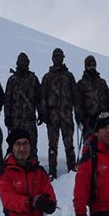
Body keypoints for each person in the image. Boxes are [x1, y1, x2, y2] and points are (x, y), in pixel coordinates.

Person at [39, 47, 77, 178]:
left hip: (67, 116)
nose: (58, 59)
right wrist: (43, 114)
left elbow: (75, 95)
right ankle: (52, 172)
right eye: (55, 57)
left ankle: (72, 171)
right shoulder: (47, 77)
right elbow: (42, 96)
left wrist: (77, 112)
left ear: (63, 58)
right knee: (52, 146)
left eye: (60, 56)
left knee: (69, 145)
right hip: (52, 117)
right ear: (52, 59)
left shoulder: (69, 76)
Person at [4, 52, 41, 159]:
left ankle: (33, 166)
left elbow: (39, 98)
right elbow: (7, 100)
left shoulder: (33, 79)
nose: (23, 63)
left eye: (25, 61)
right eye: (21, 61)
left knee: (32, 145)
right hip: (15, 120)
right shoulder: (12, 80)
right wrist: (7, 116)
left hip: (30, 119)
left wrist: (41, 113)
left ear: (28, 63)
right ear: (17, 63)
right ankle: (13, 167)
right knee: (15, 145)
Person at [75, 55, 109, 142]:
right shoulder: (81, 84)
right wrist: (79, 117)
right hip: (88, 122)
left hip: (103, 121)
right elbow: (78, 103)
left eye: (93, 65)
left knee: (104, 145)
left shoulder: (102, 83)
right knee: (90, 145)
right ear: (85, 66)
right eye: (89, 65)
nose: (92, 67)